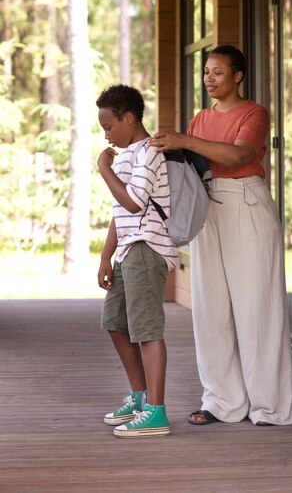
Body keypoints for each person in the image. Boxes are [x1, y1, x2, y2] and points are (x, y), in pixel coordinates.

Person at [149, 44, 292, 427]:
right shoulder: (200, 119)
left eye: (218, 72)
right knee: (210, 308)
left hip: (245, 203)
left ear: (237, 76)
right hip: (206, 207)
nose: (210, 78)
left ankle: (269, 406)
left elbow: (237, 155)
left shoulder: (254, 113)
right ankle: (222, 401)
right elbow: (192, 164)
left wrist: (184, 140)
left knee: (256, 307)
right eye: (206, 72)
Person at [96, 84, 178, 438]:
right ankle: (140, 397)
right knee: (115, 321)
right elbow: (120, 211)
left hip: (147, 249)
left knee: (146, 330)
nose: (106, 134)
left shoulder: (150, 153)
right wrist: (105, 255)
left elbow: (133, 202)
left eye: (109, 126)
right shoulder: (129, 153)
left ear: (129, 118)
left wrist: (103, 169)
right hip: (127, 250)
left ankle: (157, 412)